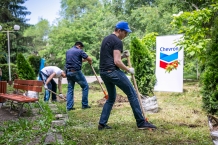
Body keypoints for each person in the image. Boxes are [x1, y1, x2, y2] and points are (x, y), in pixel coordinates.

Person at [98, 21, 157, 130]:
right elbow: (116, 61)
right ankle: (141, 122)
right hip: (113, 72)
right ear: (119, 30)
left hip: (104, 72)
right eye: (125, 33)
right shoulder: (117, 41)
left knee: (111, 98)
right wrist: (128, 69)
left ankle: (102, 124)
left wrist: (123, 56)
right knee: (132, 94)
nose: (126, 35)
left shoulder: (106, 39)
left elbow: (111, 57)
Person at [65, 41, 92, 111]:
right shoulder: (79, 51)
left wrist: (83, 61)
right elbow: (89, 58)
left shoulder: (68, 51)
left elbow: (75, 60)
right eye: (81, 47)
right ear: (79, 46)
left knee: (70, 89)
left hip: (68, 72)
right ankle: (85, 105)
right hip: (76, 72)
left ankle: (69, 107)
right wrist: (89, 61)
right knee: (85, 86)